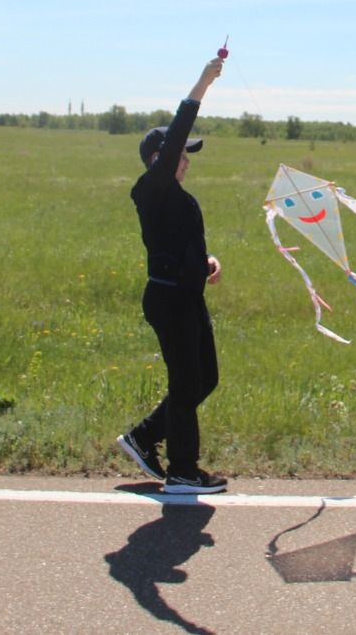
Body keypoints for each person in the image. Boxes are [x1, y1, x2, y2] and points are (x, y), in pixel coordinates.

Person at [117, 54, 228, 494]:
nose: (188, 159)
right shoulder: (152, 187)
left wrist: (205, 263)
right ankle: (183, 471)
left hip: (186, 294)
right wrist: (203, 82)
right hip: (168, 299)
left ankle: (144, 437)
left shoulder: (177, 197)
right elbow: (181, 125)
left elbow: (173, 244)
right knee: (186, 382)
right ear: (159, 157)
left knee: (205, 379)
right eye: (182, 153)